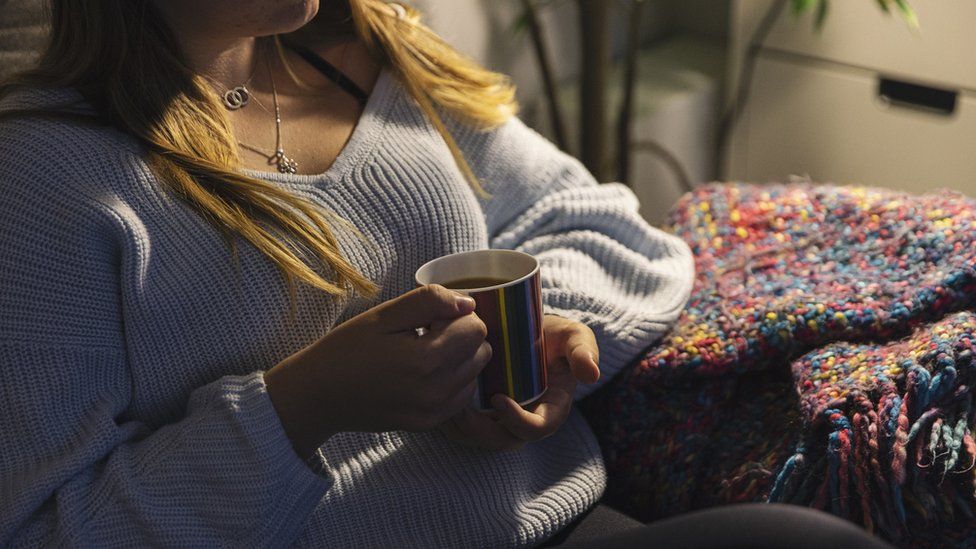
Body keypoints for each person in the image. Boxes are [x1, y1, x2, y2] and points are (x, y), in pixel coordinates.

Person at [0, 1, 893, 547]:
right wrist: (302, 405)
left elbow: (606, 229)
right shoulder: (45, 181)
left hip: (551, 517)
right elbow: (47, 530)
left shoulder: (358, 61)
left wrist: (550, 338)